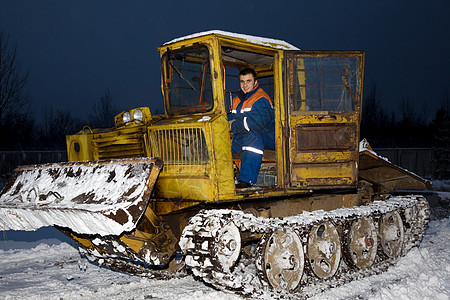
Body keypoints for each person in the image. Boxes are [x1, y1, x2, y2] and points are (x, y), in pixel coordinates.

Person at [228, 68, 275, 188]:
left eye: (248, 81)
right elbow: (229, 118)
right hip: (243, 134)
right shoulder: (236, 99)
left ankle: (246, 181)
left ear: (255, 82)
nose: (245, 85)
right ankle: (227, 178)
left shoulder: (261, 99)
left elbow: (254, 123)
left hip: (267, 137)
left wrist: (234, 125)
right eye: (242, 81)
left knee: (252, 137)